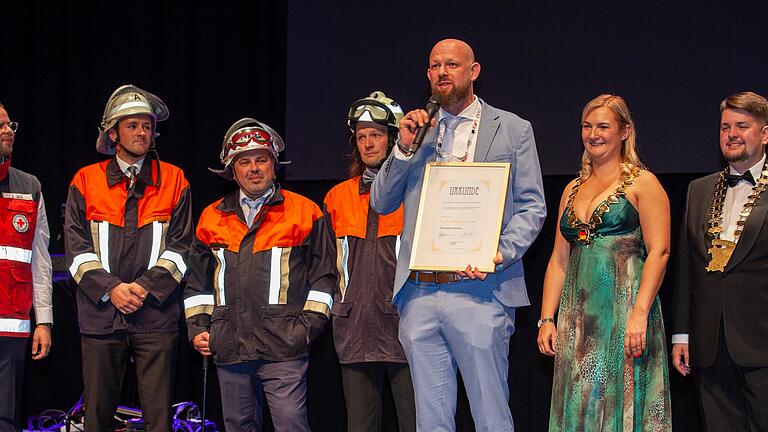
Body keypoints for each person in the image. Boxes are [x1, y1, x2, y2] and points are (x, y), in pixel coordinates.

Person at [371, 38, 546, 431]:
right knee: (430, 422)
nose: (442, 73)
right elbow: (381, 202)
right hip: (420, 292)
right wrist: (401, 147)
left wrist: (499, 253)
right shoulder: (417, 133)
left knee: (490, 418)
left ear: (473, 71)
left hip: (481, 290)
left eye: (451, 64)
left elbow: (532, 205)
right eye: (435, 66)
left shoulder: (513, 129)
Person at [184, 118, 336, 432]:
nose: (254, 168)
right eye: (245, 161)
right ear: (232, 169)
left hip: (285, 346)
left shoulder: (305, 211)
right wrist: (199, 328)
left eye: (261, 160)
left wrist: (308, 329)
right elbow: (198, 284)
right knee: (239, 426)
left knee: (291, 425)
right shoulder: (211, 217)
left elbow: (324, 277)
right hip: (229, 344)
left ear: (274, 165)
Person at [537, 94, 671, 431]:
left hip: (624, 310)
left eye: (603, 126)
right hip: (578, 315)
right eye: (587, 126)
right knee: (580, 397)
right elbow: (558, 259)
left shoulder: (644, 184)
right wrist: (546, 319)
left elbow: (660, 252)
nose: (593, 134)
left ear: (624, 132)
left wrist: (639, 314)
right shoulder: (572, 188)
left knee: (619, 398)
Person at [64, 85, 193, 432]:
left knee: (159, 419)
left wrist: (143, 289)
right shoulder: (86, 180)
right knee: (98, 416)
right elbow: (76, 252)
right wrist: (112, 290)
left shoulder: (175, 179)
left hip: (156, 315)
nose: (141, 132)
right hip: (101, 315)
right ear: (114, 133)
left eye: (147, 126)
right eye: (133, 125)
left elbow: (181, 249)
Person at [672, 91, 768, 431]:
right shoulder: (699, 189)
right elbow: (687, 269)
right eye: (725, 126)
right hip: (709, 344)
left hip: (762, 341)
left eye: (742, 125)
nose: (732, 134)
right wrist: (681, 334)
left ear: (765, 134)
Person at [323, 91, 416, 432]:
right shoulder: (337, 197)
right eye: (361, 137)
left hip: (404, 327)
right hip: (354, 328)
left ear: (393, 138)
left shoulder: (414, 191)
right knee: (359, 426)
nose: (368, 143)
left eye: (376, 134)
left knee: (415, 423)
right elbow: (327, 266)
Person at [0, 102, 52, 432]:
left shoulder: (29, 186)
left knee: (6, 418)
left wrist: (44, 321)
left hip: (12, 328)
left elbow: (41, 260)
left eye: (9, 125)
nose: (8, 131)